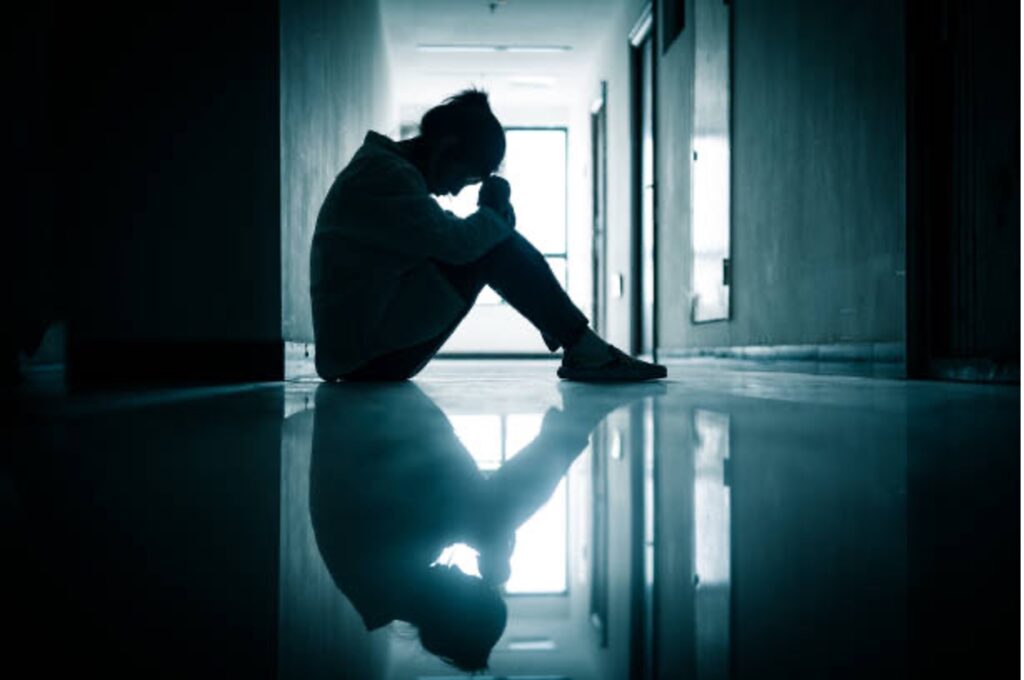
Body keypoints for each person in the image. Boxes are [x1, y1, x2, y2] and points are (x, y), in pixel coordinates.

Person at [310, 89, 666, 382]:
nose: (457, 189)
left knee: (491, 241)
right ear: (447, 149)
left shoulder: (387, 173)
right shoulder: (386, 175)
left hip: (362, 351)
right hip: (364, 360)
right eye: (468, 178)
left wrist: (494, 224)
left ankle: (574, 339)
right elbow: (458, 245)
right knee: (494, 248)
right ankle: (583, 347)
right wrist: (495, 217)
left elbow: (442, 236)